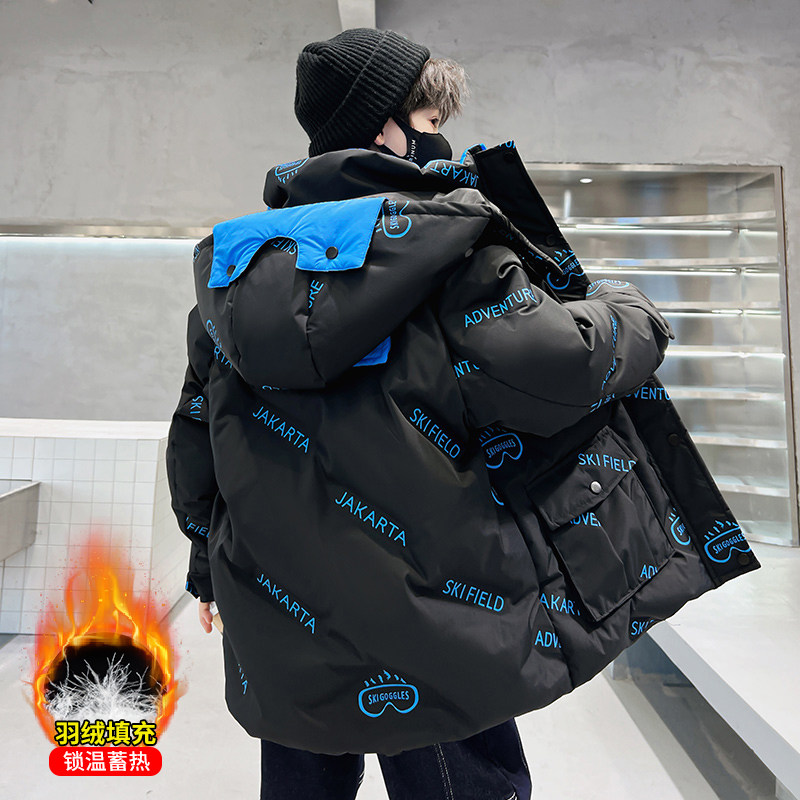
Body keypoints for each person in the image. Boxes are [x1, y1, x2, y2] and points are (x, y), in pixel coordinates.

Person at [167, 25, 752, 800]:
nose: (440, 141)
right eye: (431, 122)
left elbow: (195, 444)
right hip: (440, 621)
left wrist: (204, 566)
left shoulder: (235, 279)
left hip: (281, 618)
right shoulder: (450, 253)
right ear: (384, 130)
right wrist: (629, 306)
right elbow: (567, 367)